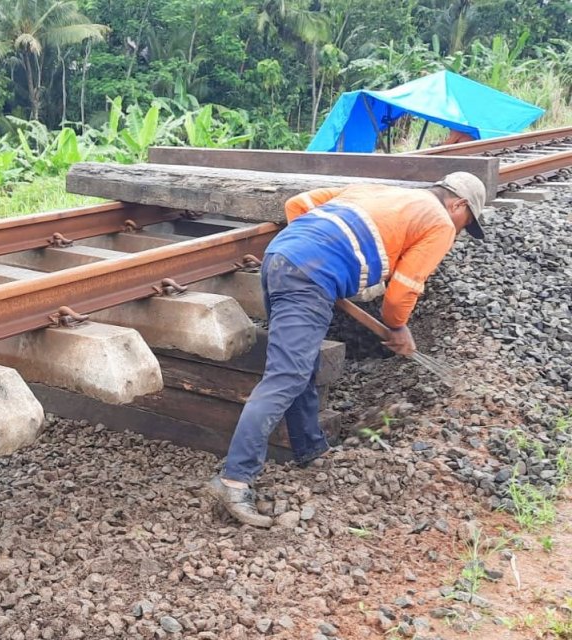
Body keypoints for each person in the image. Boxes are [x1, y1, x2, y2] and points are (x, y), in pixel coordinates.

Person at [207, 172, 488, 527]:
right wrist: (399, 328)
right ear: (457, 204)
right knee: (286, 376)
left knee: (299, 366)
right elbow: (400, 295)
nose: (460, 230)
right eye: (466, 222)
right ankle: (233, 480)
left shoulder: (380, 188)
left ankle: (311, 450)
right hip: (307, 274)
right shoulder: (439, 222)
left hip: (281, 256)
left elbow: (298, 205)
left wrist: (317, 254)